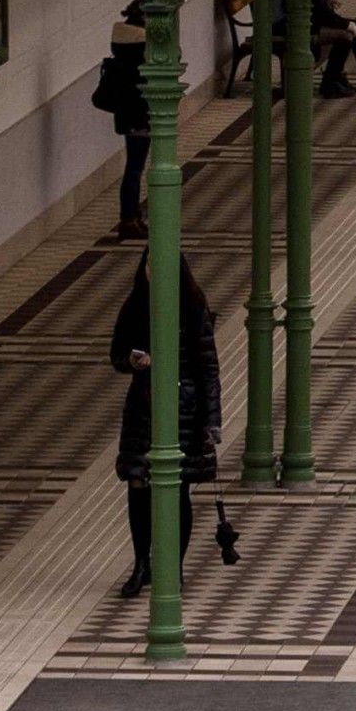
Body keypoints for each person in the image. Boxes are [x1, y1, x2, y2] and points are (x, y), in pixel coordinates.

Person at [112, 255, 223, 600]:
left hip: (183, 410)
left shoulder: (193, 308)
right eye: (149, 264)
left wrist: (211, 420)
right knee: (138, 483)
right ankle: (142, 562)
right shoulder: (135, 306)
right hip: (144, 408)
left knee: (178, 488)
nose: (152, 271)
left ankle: (172, 566)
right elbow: (116, 354)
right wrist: (133, 360)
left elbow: (208, 369)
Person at [93, 16, 151, 241]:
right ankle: (129, 218)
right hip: (139, 116)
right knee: (135, 169)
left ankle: (132, 216)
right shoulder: (140, 51)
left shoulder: (121, 46)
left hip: (127, 117)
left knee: (134, 167)